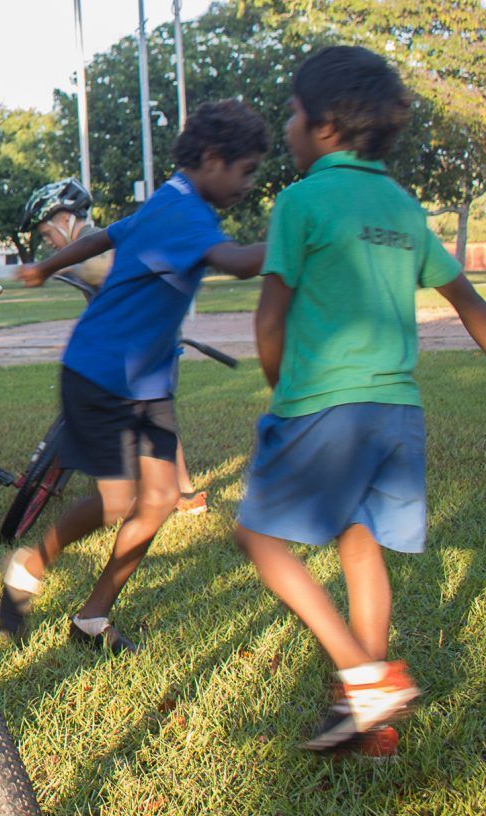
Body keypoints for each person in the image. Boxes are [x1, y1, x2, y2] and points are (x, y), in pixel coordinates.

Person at [236, 46, 486, 755]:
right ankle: (367, 720)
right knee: (359, 540)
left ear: (321, 126)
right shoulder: (401, 205)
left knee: (256, 534)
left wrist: (282, 394)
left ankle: (362, 672)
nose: (285, 126)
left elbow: (268, 318)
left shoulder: (303, 199)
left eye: (290, 112)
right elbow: (466, 300)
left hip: (325, 404)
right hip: (398, 413)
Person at [0, 100, 269, 653]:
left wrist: (47, 266)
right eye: (245, 173)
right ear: (214, 159)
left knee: (161, 497)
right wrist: (310, 233)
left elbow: (107, 236)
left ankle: (92, 617)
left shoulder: (172, 195)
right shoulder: (187, 213)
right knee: (120, 499)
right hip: (100, 371)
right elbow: (239, 262)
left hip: (146, 381)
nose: (247, 186)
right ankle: (28, 565)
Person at [20, 178, 207, 514]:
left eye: (47, 233)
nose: (48, 241)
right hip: (130, 343)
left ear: (65, 219)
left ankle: (178, 492)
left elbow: (112, 276)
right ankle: (176, 490)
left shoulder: (95, 243)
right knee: (151, 414)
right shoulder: (89, 244)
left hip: (144, 343)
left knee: (151, 415)